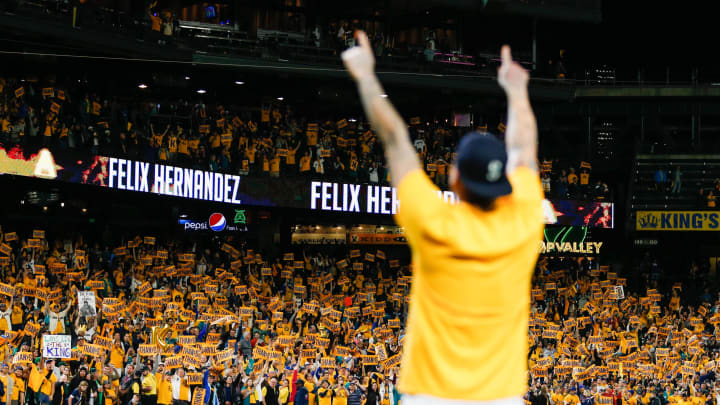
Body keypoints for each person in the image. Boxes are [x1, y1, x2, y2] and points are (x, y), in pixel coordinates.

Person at [342, 32, 543, 405]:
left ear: (454, 179)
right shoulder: (524, 221)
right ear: (502, 186)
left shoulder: (433, 222)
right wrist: (516, 90)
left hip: (430, 396)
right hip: (501, 397)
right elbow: (523, 150)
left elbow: (396, 140)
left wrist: (366, 75)